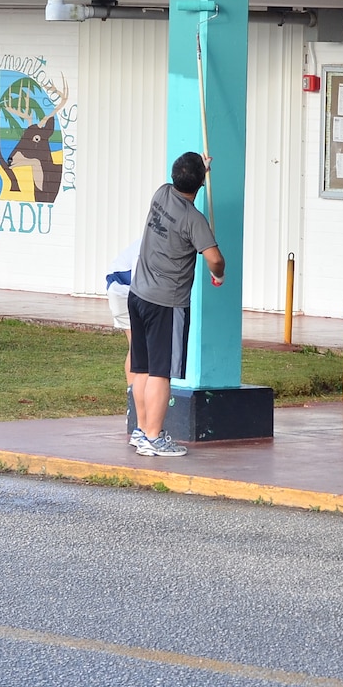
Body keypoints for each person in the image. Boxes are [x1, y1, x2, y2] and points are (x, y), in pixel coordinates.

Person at [126, 152, 226, 459]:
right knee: (161, 373)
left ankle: (142, 431)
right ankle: (154, 437)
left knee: (142, 368)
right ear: (200, 182)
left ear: (174, 176)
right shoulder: (194, 220)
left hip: (138, 294)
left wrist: (201, 170)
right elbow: (214, 258)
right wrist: (217, 274)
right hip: (166, 304)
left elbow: (188, 181)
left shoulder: (161, 193)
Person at [105, 239, 139, 438]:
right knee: (139, 348)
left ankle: (135, 408)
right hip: (125, 289)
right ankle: (135, 409)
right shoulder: (155, 242)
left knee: (136, 347)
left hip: (122, 286)